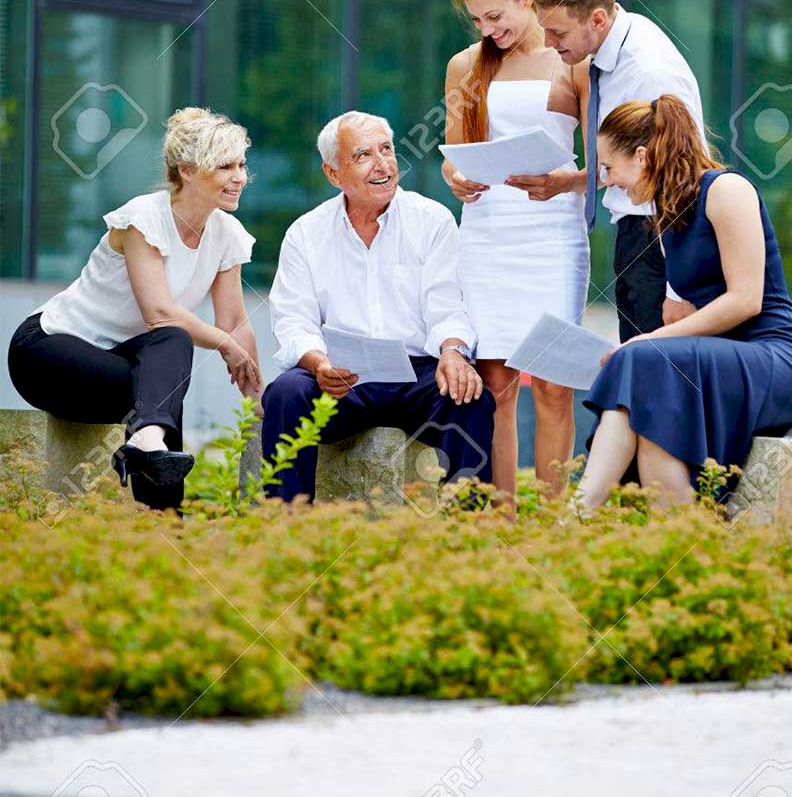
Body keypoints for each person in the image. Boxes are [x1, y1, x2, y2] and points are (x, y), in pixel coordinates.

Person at [7, 108, 262, 512]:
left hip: (117, 369)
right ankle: (165, 513)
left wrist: (255, 392)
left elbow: (232, 323)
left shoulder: (226, 234)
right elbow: (159, 313)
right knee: (166, 359)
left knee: (164, 369)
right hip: (46, 352)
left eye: (242, 165)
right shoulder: (143, 219)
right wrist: (226, 347)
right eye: (225, 166)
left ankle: (156, 492)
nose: (240, 177)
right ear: (189, 170)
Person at [576, 96, 792, 512]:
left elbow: (746, 300)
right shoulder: (666, 212)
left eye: (608, 167)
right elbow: (691, 312)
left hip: (772, 355)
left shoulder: (726, 190)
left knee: (644, 358)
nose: (607, 180)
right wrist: (664, 330)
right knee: (649, 398)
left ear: (642, 157)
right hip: (719, 356)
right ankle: (678, 540)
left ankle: (578, 516)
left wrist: (652, 340)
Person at [262, 110, 495, 502]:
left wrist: (453, 351)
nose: (383, 164)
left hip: (416, 375)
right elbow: (292, 319)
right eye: (363, 155)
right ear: (334, 174)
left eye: (386, 149)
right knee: (286, 392)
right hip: (340, 377)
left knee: (470, 396)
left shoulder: (432, 220)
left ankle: (466, 534)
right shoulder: (306, 233)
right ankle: (286, 524)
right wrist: (319, 364)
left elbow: (447, 305)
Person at [442, 0, 590, 498]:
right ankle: (499, 523)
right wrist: (456, 176)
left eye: (496, 16)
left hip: (551, 231)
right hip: (486, 231)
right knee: (495, 386)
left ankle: (551, 526)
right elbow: (455, 153)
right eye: (478, 19)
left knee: (553, 386)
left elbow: (600, 162)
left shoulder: (571, 61)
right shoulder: (465, 64)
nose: (488, 28)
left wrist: (563, 182)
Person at [533, 0, 705, 342]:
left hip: (660, 246)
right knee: (639, 372)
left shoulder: (648, 72)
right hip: (636, 236)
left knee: (654, 381)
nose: (547, 43)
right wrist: (570, 183)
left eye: (557, 33)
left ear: (597, 18)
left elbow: (682, 181)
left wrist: (676, 291)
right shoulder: (618, 38)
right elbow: (634, 164)